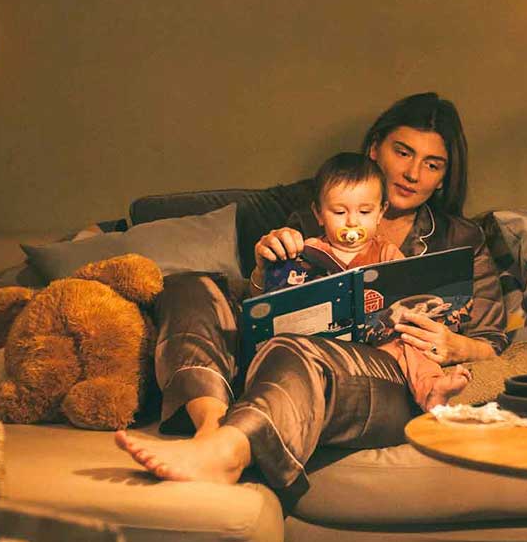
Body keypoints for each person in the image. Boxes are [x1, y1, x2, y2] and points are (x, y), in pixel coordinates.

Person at [115, 93, 507, 494]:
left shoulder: (462, 238)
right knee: (187, 286)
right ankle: (210, 427)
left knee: (294, 349)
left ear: (443, 177)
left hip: (389, 372)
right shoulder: (312, 215)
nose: (412, 173)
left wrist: (455, 345)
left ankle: (230, 451)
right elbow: (271, 308)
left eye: (432, 164)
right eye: (402, 153)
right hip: (293, 350)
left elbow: (494, 344)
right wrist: (263, 269)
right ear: (375, 149)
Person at [254, 151, 473, 412]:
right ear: (319, 214)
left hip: (380, 351)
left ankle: (431, 388)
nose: (352, 221)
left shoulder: (387, 252)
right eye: (338, 211)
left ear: (381, 213)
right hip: (323, 350)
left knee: (412, 343)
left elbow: (408, 294)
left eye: (365, 211)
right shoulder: (307, 251)